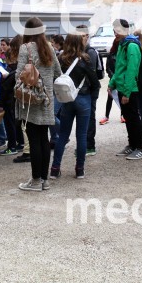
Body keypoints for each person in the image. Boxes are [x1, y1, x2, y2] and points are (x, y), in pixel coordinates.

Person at [15, 17, 62, 191]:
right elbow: (58, 72)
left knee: (34, 140)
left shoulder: (25, 48)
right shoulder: (49, 48)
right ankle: (44, 180)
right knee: (44, 139)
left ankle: (35, 181)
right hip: (46, 100)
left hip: (30, 101)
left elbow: (18, 75)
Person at [50, 34, 101, 179]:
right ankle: (79, 169)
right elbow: (95, 82)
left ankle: (55, 169)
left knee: (63, 135)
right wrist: (92, 96)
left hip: (67, 99)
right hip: (83, 98)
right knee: (82, 136)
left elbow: (55, 78)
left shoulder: (60, 59)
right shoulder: (84, 59)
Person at [108, 19, 142, 160]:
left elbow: (132, 70)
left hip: (130, 89)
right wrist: (112, 83)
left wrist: (127, 92)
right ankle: (132, 145)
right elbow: (119, 68)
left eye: (117, 31)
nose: (115, 34)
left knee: (134, 118)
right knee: (129, 118)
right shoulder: (123, 44)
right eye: (114, 31)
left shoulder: (131, 45)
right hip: (123, 87)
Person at [77, 24, 102, 156]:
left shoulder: (90, 52)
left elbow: (91, 74)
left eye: (82, 36)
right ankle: (84, 145)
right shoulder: (78, 50)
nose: (80, 38)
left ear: (87, 36)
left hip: (90, 89)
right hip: (82, 90)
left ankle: (90, 145)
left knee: (90, 117)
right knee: (83, 117)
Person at [0, 35, 24, 156]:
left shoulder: (13, 70)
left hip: (10, 100)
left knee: (10, 123)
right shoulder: (20, 66)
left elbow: (5, 88)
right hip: (17, 99)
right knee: (17, 123)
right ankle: (21, 143)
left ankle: (12, 146)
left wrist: (0, 104)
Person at [99, 33, 124, 125]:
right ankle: (106, 116)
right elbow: (108, 68)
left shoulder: (122, 54)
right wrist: (113, 77)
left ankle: (123, 115)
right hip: (113, 78)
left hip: (121, 79)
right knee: (110, 98)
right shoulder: (111, 54)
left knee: (121, 97)